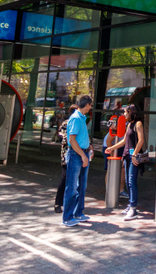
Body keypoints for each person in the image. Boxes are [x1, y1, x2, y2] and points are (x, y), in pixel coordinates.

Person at [105, 104, 144, 221]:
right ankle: (130, 205)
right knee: (127, 181)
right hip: (127, 155)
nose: (124, 114)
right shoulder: (129, 125)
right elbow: (124, 141)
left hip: (133, 156)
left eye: (126, 112)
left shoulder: (138, 124)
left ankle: (133, 208)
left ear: (131, 112)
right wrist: (112, 148)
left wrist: (134, 154)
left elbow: (141, 140)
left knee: (131, 181)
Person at [61, 95, 93, 227]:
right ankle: (68, 217)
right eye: (90, 105)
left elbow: (78, 138)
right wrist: (83, 155)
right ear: (87, 105)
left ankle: (78, 213)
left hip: (81, 153)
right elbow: (72, 140)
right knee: (72, 187)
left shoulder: (81, 118)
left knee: (81, 186)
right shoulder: (75, 119)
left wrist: (88, 147)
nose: (91, 107)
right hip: (76, 155)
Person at [54, 104, 77, 214]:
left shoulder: (77, 122)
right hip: (67, 155)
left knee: (72, 180)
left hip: (73, 154)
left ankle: (67, 203)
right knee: (65, 178)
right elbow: (64, 139)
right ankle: (58, 203)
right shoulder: (67, 123)